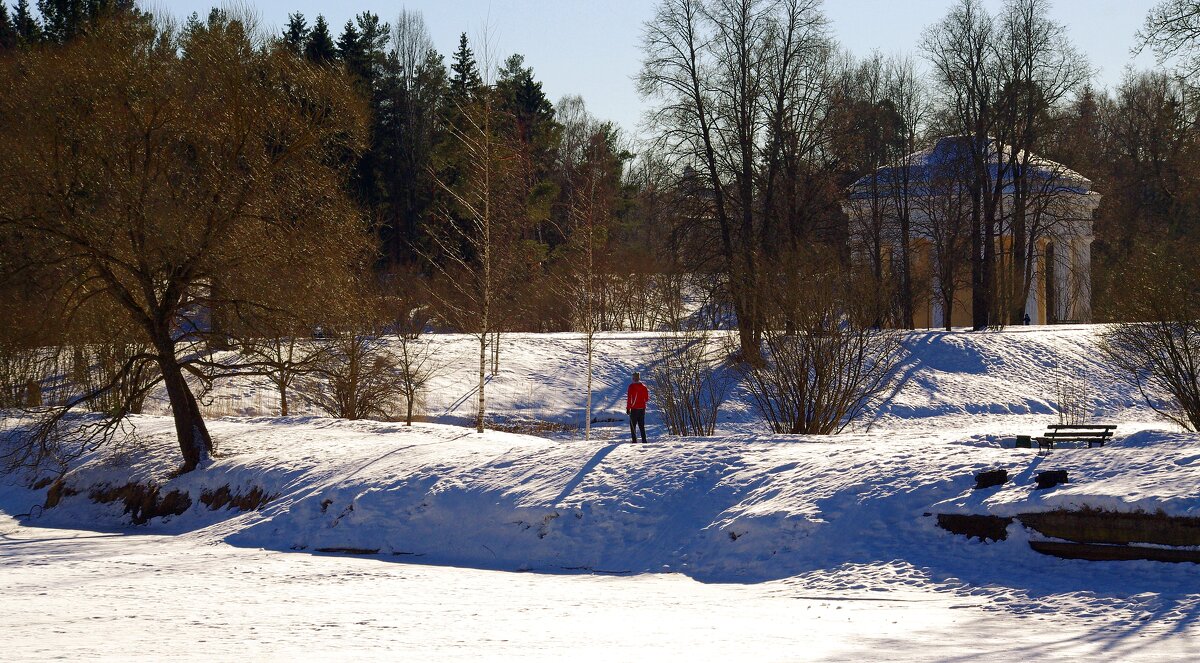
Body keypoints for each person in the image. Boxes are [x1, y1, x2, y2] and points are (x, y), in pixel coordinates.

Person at [626, 371, 649, 443]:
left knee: (633, 425)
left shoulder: (631, 387)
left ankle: (634, 441)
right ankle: (644, 440)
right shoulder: (644, 387)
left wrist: (628, 408)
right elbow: (647, 399)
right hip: (642, 408)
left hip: (634, 409)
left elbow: (629, 398)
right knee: (641, 425)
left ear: (633, 378)